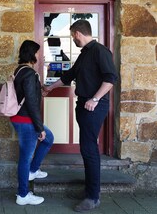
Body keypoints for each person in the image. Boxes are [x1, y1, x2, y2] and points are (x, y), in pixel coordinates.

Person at [43, 20, 118, 212]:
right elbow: (69, 76)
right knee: (87, 149)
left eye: (72, 35)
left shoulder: (100, 51)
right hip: (84, 105)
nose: (73, 39)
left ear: (77, 33)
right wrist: (49, 88)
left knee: (89, 149)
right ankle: (89, 190)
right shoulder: (84, 54)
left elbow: (110, 79)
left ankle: (93, 197)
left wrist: (94, 99)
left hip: (94, 106)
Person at [11, 40, 54, 206]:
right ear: (31, 54)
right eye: (37, 52)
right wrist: (39, 127)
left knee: (49, 139)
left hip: (20, 118)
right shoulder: (29, 73)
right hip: (26, 120)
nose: (39, 55)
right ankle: (22, 195)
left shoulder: (20, 70)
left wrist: (38, 90)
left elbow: (27, 94)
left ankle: (33, 170)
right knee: (25, 158)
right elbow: (30, 103)